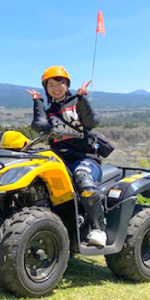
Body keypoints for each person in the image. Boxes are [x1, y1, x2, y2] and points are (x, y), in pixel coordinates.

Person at [27, 65, 107, 246]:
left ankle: (98, 229)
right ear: (46, 88)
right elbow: (40, 126)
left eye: (60, 83)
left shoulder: (76, 102)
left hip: (84, 157)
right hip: (59, 159)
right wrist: (37, 102)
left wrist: (82, 98)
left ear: (67, 84)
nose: (56, 88)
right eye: (51, 85)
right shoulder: (49, 112)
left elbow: (92, 121)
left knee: (83, 179)